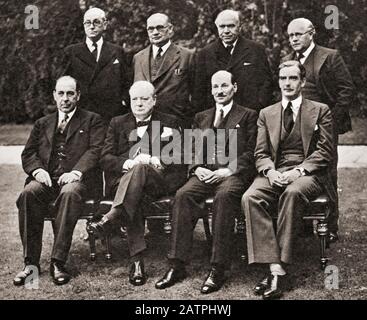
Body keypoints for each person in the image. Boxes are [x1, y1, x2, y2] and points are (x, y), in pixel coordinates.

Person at [156, 70, 258, 294]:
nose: (219, 91)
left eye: (224, 86)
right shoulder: (202, 117)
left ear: (235, 87)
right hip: (204, 173)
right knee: (183, 195)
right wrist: (197, 168)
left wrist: (225, 171)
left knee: (223, 196)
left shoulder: (248, 115)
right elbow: (192, 149)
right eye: (215, 87)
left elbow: (252, 153)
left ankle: (218, 267)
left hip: (232, 175)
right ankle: (177, 264)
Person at [242, 61, 335, 299]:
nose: (287, 83)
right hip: (276, 170)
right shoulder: (267, 113)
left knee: (292, 193)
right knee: (250, 197)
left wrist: (299, 171)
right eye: (283, 78)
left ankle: (281, 267)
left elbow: (325, 152)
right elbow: (260, 153)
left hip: (308, 174)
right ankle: (274, 265)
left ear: (303, 82)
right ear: (278, 82)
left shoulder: (320, 110)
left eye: (293, 78)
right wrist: (270, 172)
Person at [88, 81, 186, 286]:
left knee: (141, 171)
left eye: (144, 98)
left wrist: (157, 160)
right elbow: (105, 158)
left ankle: (113, 219)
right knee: (135, 190)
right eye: (135, 99)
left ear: (154, 100)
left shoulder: (170, 121)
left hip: (157, 182)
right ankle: (137, 261)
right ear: (129, 101)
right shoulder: (117, 122)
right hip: (124, 183)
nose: (139, 103)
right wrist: (129, 163)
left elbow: (180, 156)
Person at [13, 76, 106, 286]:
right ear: (54, 95)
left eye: (70, 93)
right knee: (28, 193)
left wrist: (76, 172)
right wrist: (37, 170)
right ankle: (30, 265)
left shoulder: (93, 120)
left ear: (78, 96)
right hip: (47, 180)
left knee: (69, 192)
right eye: (61, 93)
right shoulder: (42, 123)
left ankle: (58, 262)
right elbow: (28, 153)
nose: (65, 98)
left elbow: (96, 150)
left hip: (78, 181)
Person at [283, 18, 356, 241]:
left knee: (327, 174)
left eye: (298, 34)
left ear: (311, 33)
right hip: (297, 129)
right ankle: (302, 226)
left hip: (324, 127)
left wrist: (329, 122)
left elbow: (346, 90)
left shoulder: (329, 56)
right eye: (290, 35)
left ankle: (331, 226)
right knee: (299, 171)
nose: (294, 39)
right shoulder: (288, 61)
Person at [192, 9, 273, 113]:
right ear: (217, 28)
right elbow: (199, 92)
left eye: (231, 26)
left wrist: (257, 108)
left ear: (239, 27)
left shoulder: (256, 50)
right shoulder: (205, 54)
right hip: (217, 116)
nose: (226, 31)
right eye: (222, 27)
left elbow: (267, 84)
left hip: (249, 115)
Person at [62, 7, 131, 121]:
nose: (92, 26)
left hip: (111, 114)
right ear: (84, 25)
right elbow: (63, 82)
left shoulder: (117, 51)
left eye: (96, 22)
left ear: (105, 25)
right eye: (88, 23)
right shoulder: (71, 52)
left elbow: (127, 80)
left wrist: (124, 101)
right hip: (82, 113)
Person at [132, 13, 195, 128]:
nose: (155, 32)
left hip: (177, 124)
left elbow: (196, 94)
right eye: (150, 29)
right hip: (145, 125)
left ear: (170, 29)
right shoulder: (138, 58)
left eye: (160, 27)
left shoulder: (187, 56)